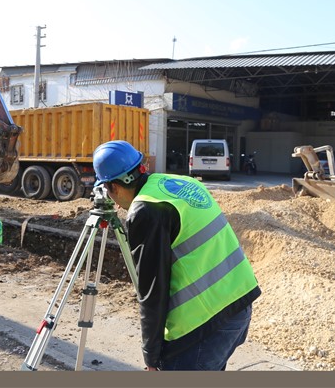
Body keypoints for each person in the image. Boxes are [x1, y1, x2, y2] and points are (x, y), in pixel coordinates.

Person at [92, 140, 261, 371]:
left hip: (206, 324)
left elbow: (152, 292)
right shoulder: (181, 182)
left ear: (114, 187)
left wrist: (151, 357)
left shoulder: (145, 211)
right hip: (240, 305)